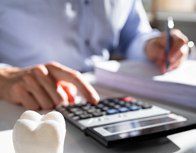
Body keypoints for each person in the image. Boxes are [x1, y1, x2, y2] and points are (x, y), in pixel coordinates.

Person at [0, 0, 189, 110]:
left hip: (107, 101)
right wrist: (3, 78)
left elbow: (132, 36)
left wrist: (150, 45)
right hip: (26, 106)